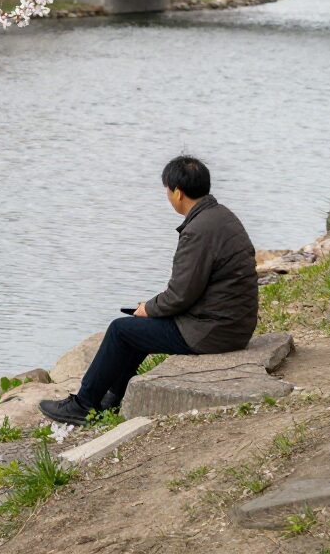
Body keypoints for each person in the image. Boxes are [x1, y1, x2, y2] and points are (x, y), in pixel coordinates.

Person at [38, 156, 259, 424]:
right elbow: (190, 290)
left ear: (178, 192)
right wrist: (151, 309)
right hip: (232, 324)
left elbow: (180, 295)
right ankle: (111, 398)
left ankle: (83, 405)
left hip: (212, 331)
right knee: (137, 328)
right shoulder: (222, 216)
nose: (167, 196)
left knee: (121, 330)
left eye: (167, 190)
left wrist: (149, 308)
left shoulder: (198, 231)